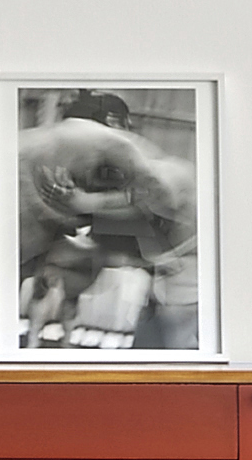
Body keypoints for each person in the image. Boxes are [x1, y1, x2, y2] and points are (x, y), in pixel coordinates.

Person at [12, 93, 201, 350]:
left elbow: (163, 200)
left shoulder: (24, 141)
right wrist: (87, 206)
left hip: (177, 284)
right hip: (175, 284)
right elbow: (161, 198)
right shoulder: (114, 144)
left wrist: (88, 205)